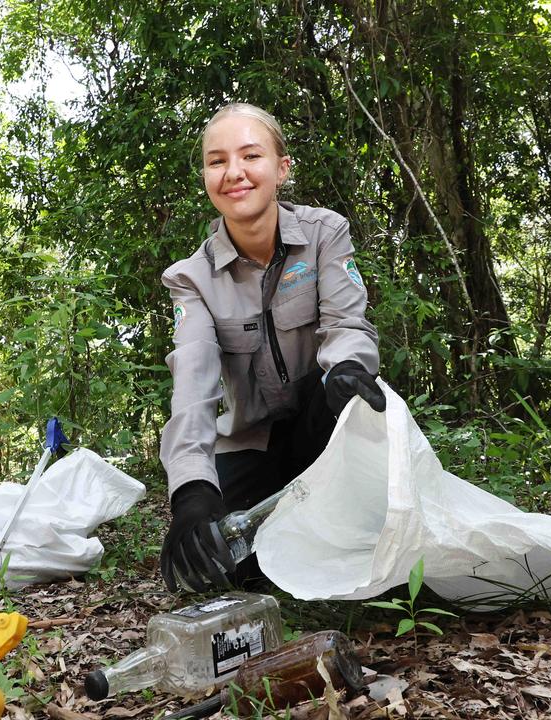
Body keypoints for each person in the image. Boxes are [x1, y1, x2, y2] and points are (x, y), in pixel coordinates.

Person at [158, 103, 386, 593]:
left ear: (281, 168)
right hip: (250, 441)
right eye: (217, 161)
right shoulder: (190, 279)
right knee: (225, 567)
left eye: (251, 156)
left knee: (350, 401)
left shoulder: (325, 233)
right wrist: (192, 491)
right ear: (205, 176)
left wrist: (349, 367)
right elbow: (193, 384)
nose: (233, 173)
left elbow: (347, 324)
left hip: (319, 422)